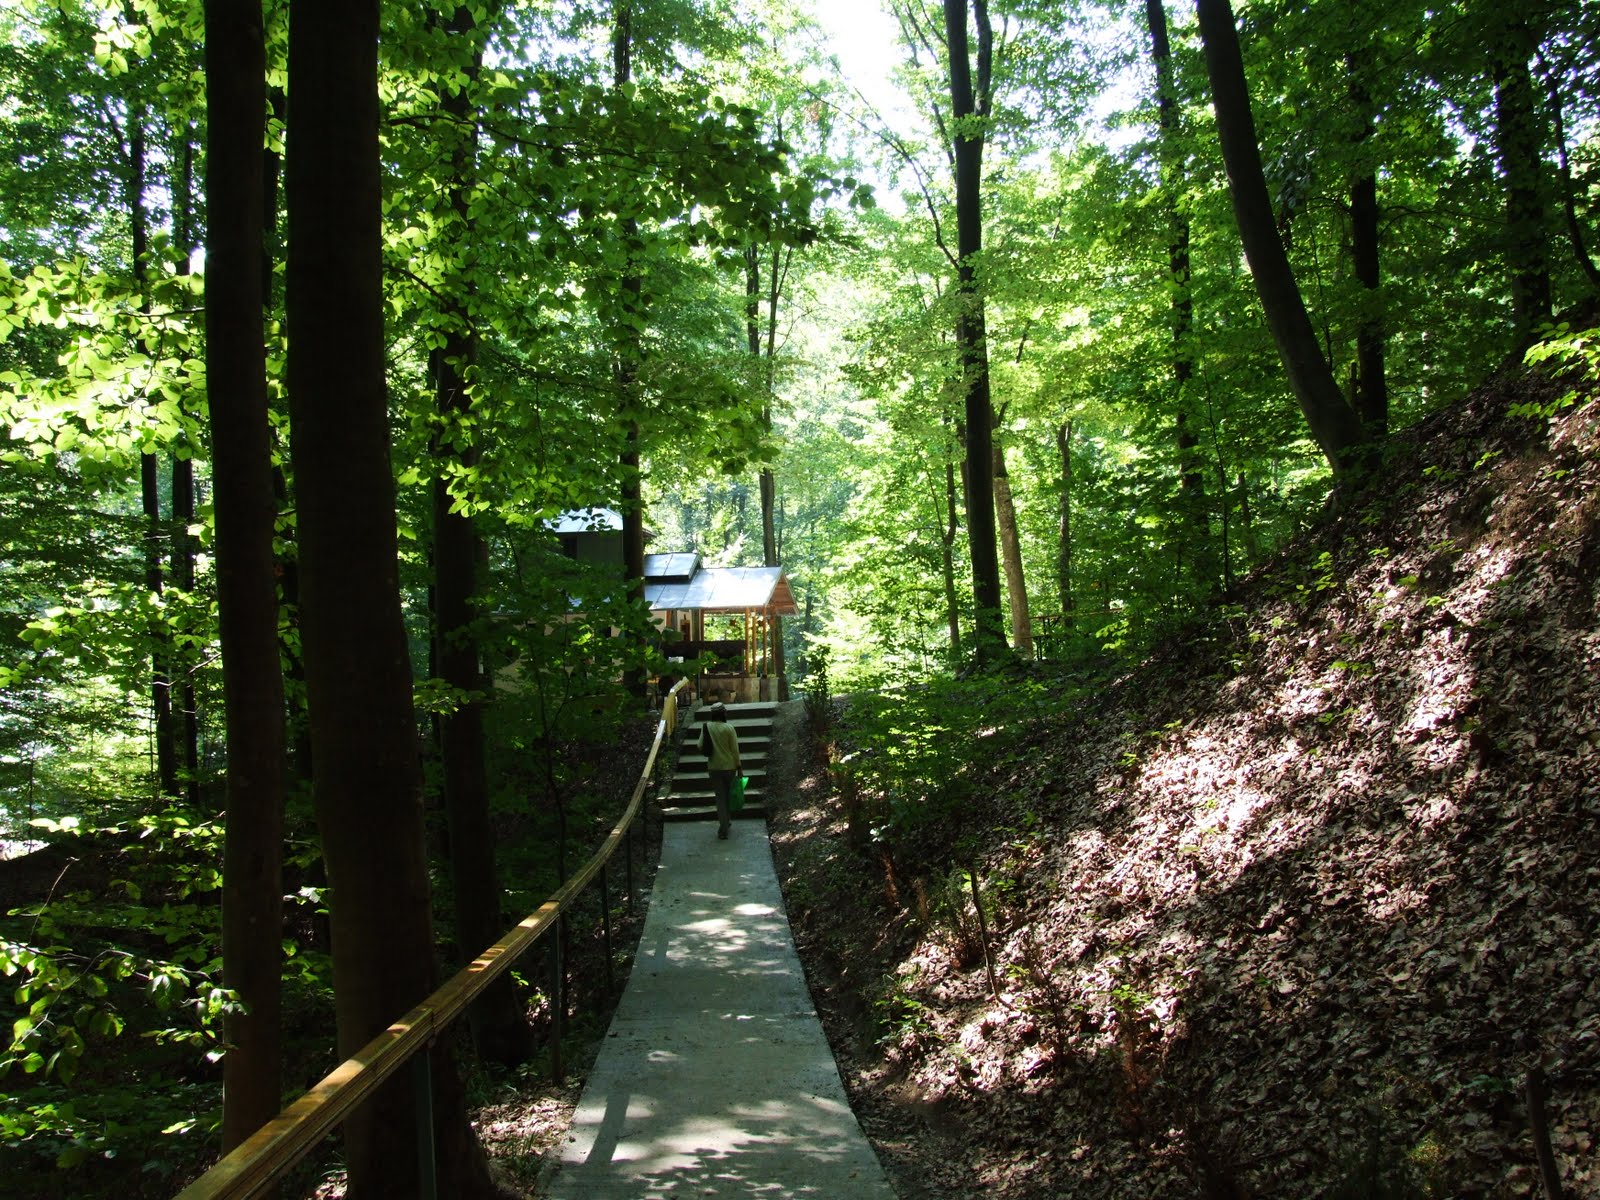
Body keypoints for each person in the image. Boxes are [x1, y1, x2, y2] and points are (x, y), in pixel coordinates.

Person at [699, 698, 741, 840]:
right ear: (723, 714)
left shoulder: (706, 727)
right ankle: (726, 823)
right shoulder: (729, 728)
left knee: (720, 798)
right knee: (728, 796)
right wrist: (739, 767)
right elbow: (735, 750)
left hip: (714, 767)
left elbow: (699, 745)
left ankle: (723, 826)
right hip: (730, 767)